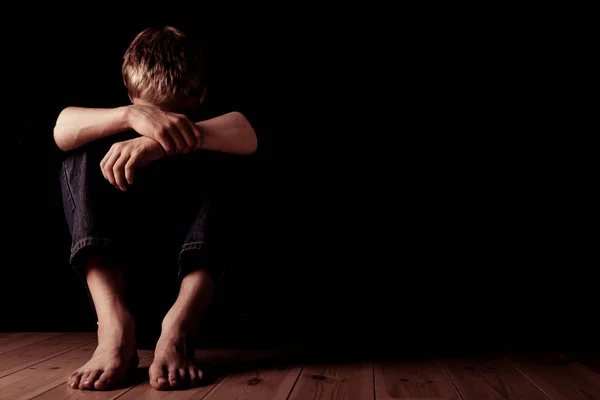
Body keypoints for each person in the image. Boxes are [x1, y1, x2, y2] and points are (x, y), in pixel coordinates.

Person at [54, 26, 257, 391]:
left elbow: (247, 134)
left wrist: (160, 144)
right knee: (80, 152)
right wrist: (130, 117)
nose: (161, 125)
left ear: (201, 96)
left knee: (232, 159)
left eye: (172, 115)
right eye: (153, 115)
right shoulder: (124, 116)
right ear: (131, 94)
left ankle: (178, 330)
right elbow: (61, 128)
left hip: (198, 303)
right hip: (122, 296)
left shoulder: (224, 125)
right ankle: (114, 331)